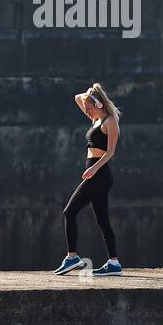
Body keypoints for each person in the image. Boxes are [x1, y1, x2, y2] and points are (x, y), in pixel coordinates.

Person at [52, 82, 124, 276]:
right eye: (86, 109)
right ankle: (114, 263)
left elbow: (110, 153)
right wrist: (91, 94)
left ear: (99, 105)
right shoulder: (95, 120)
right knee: (102, 221)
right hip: (95, 173)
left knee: (69, 212)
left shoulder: (110, 121)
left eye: (90, 108)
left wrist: (93, 169)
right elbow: (77, 97)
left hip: (99, 173)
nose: (87, 112)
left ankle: (72, 258)